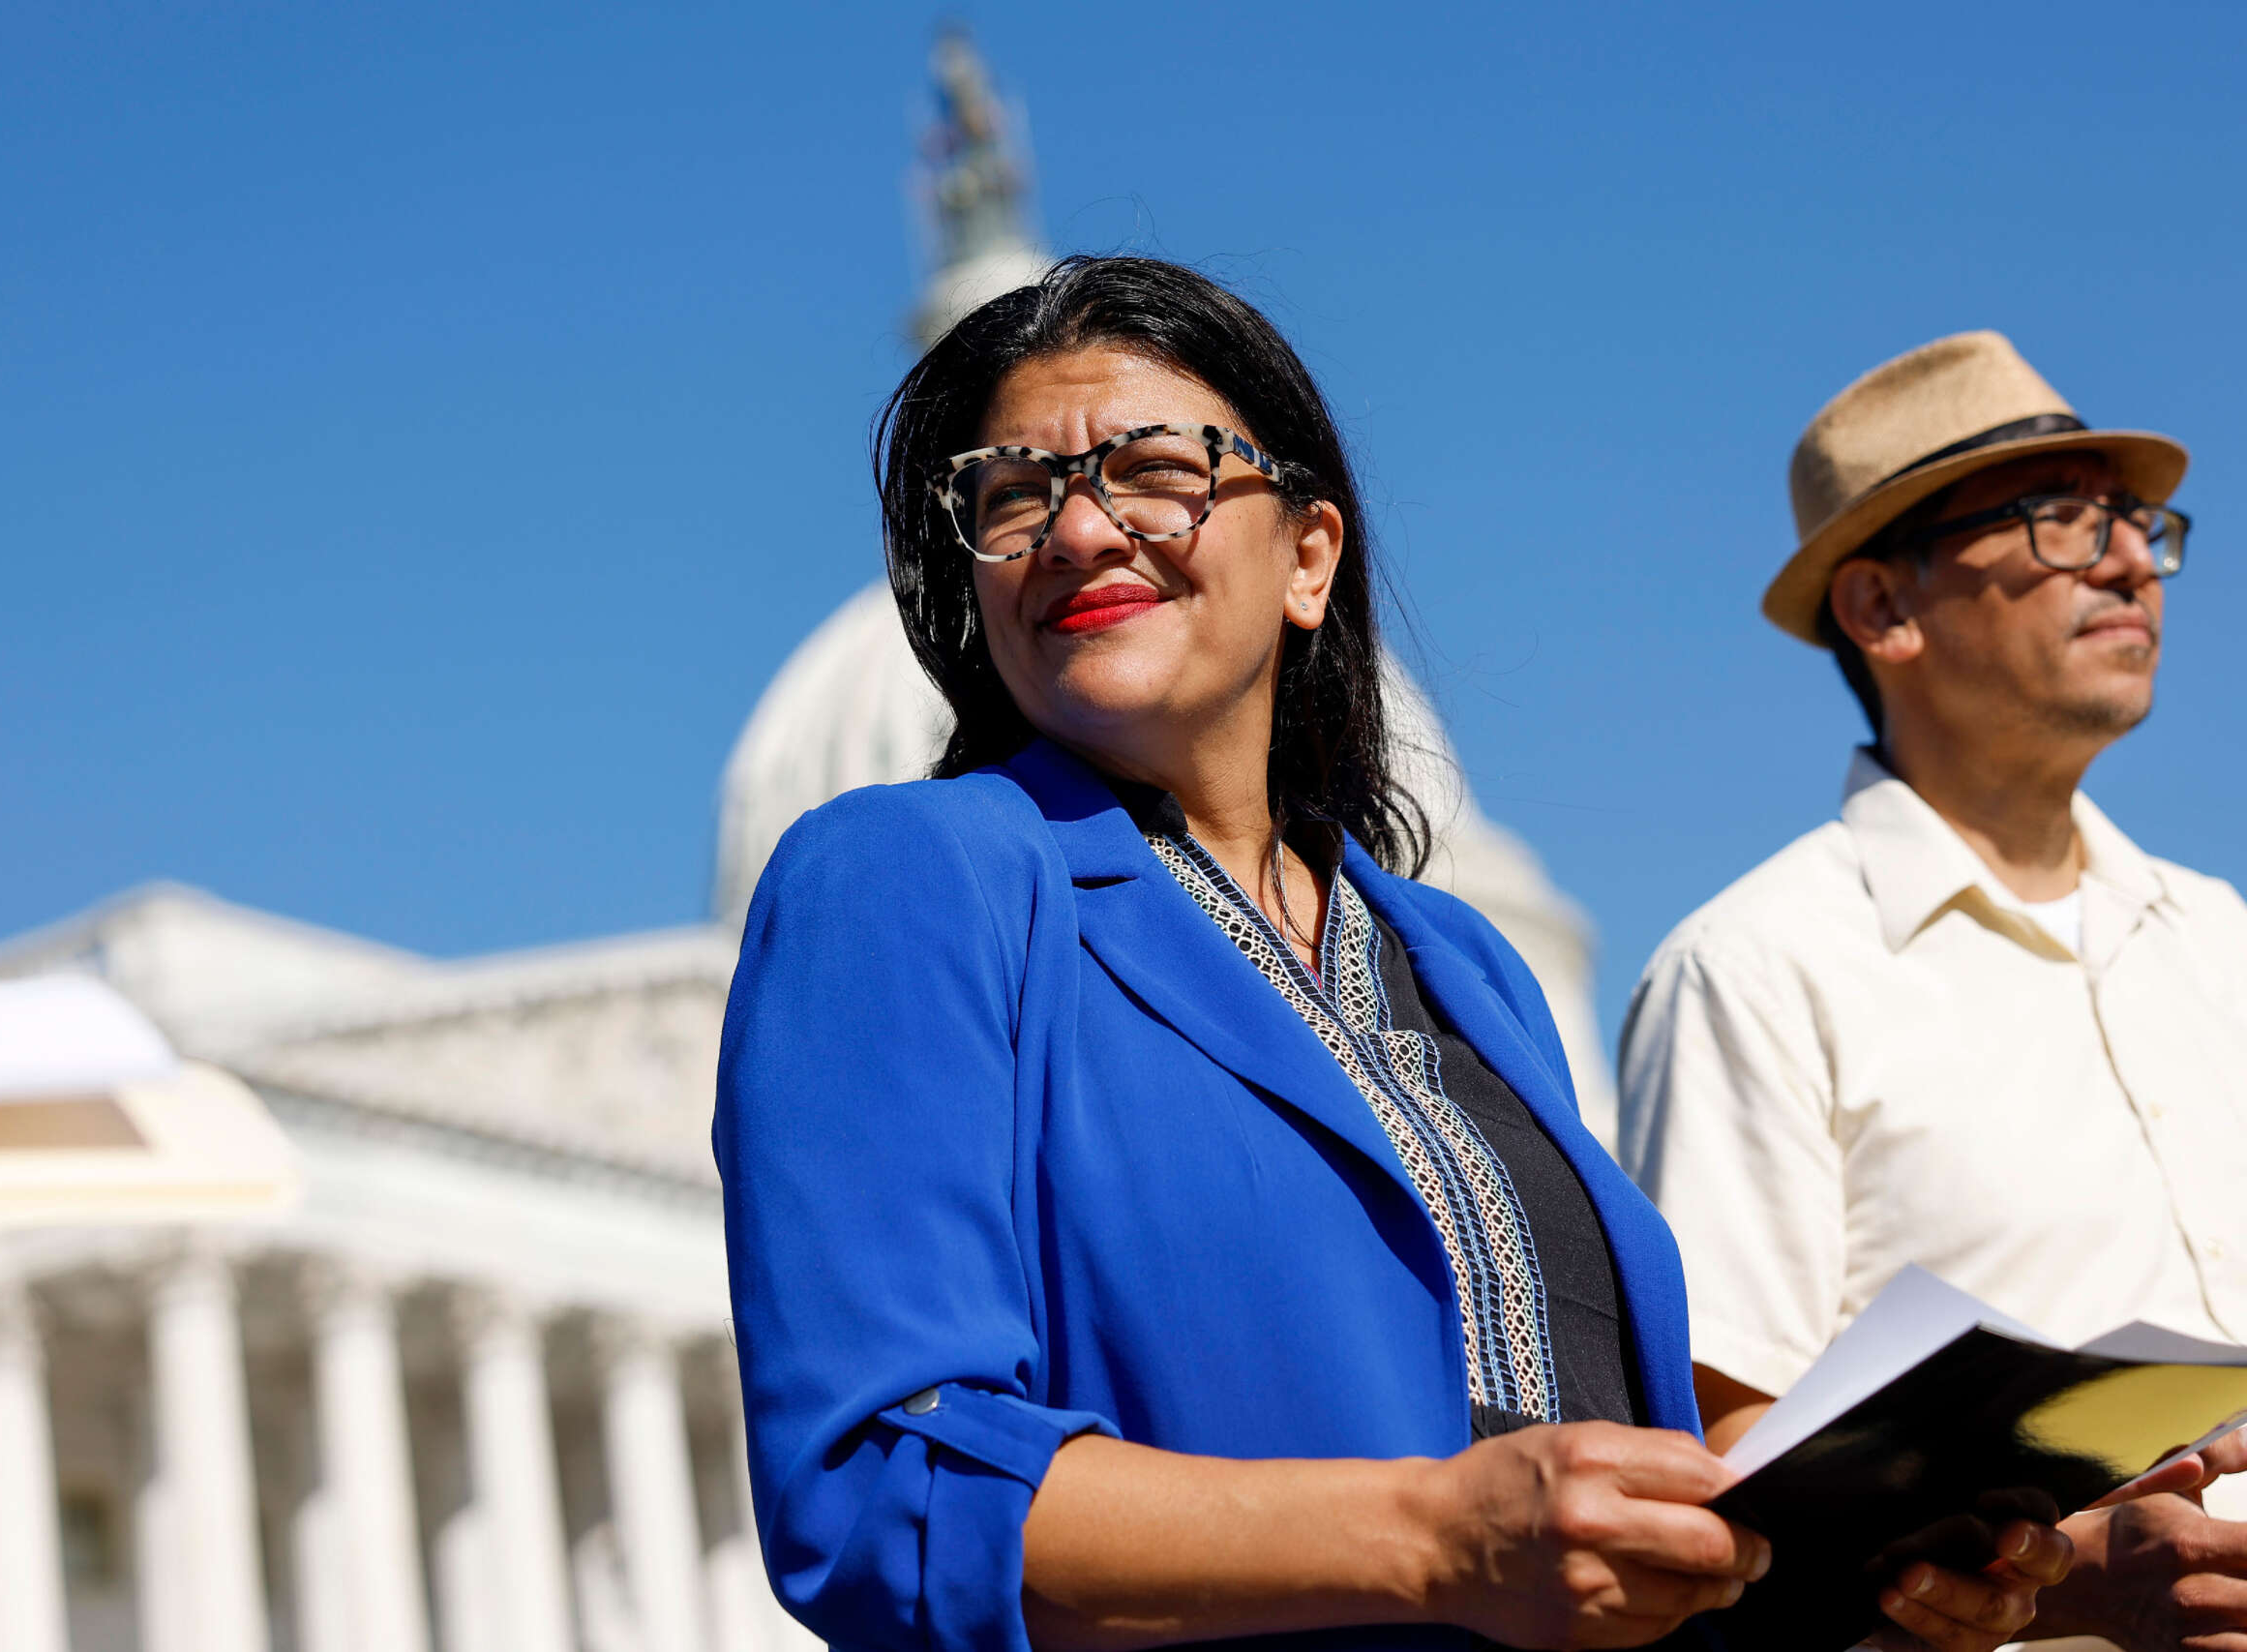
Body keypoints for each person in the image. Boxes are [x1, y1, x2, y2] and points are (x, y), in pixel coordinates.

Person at [717, 258, 2060, 1652]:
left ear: (1310, 558)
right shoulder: (911, 876)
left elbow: (1608, 1513)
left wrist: (1988, 1570)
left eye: (1155, 469)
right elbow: (887, 1488)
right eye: (1013, 494)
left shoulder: (1462, 964)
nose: (1078, 529)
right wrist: (1435, 1539)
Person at [1619, 329, 2247, 1649]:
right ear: (1882, 611)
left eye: (2136, 524)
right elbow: (1738, 1465)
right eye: (2059, 522)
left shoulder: (2221, 942)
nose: (2130, 559)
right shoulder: (1756, 968)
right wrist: (2072, 1572)